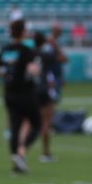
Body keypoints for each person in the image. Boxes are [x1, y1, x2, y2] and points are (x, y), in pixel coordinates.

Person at [0, 19, 42, 174]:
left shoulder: (6, 49)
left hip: (9, 92)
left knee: (15, 126)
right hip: (25, 92)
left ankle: (16, 161)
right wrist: (37, 70)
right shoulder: (26, 50)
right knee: (37, 124)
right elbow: (32, 70)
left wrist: (5, 74)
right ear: (23, 32)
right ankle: (22, 151)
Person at [35, 28, 68, 162]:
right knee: (46, 122)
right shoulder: (47, 54)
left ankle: (20, 151)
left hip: (32, 89)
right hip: (45, 88)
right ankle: (45, 153)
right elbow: (63, 59)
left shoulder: (30, 53)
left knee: (28, 122)